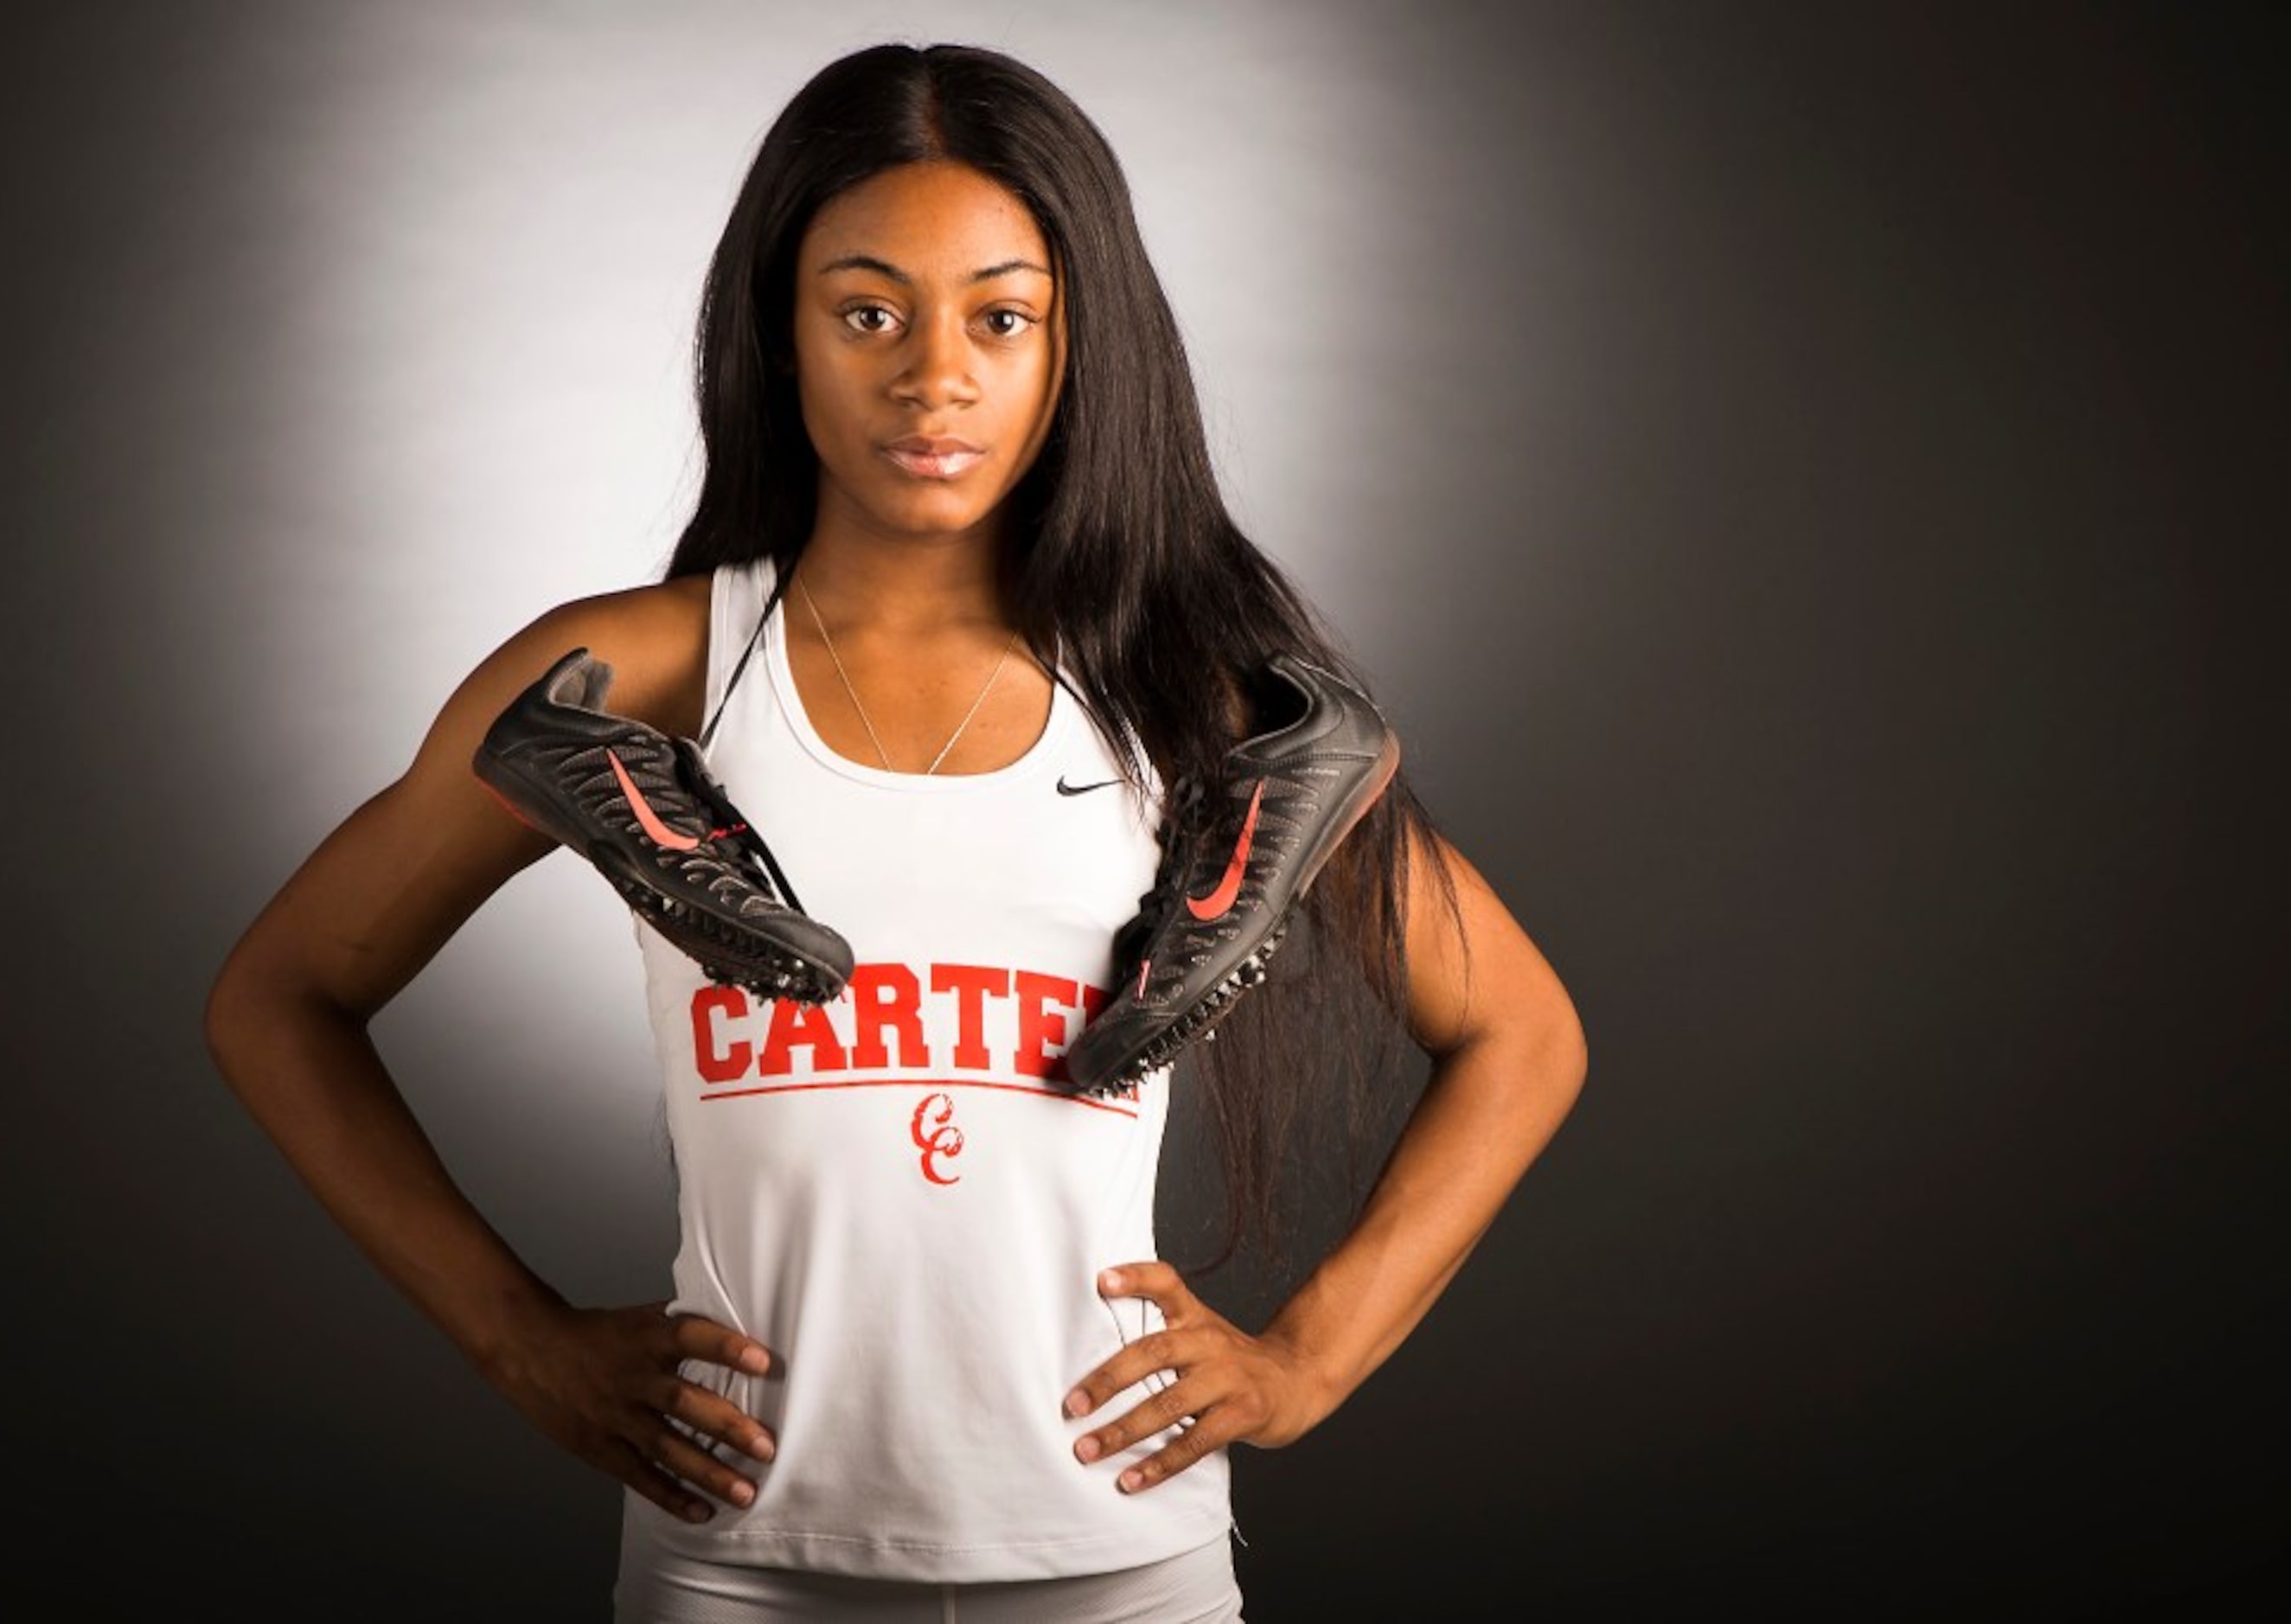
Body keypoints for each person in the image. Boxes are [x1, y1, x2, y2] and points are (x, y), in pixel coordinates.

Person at [203, 40, 1587, 1623]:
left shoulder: (1191, 705)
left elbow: (1523, 1034)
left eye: (1001, 318)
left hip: (1119, 1560)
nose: (935, 376)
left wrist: (1306, 1359)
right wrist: (519, 1339)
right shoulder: (621, 681)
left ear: (1076, 349)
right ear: (781, 335)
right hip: (734, 1564)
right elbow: (277, 996)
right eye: (869, 312)